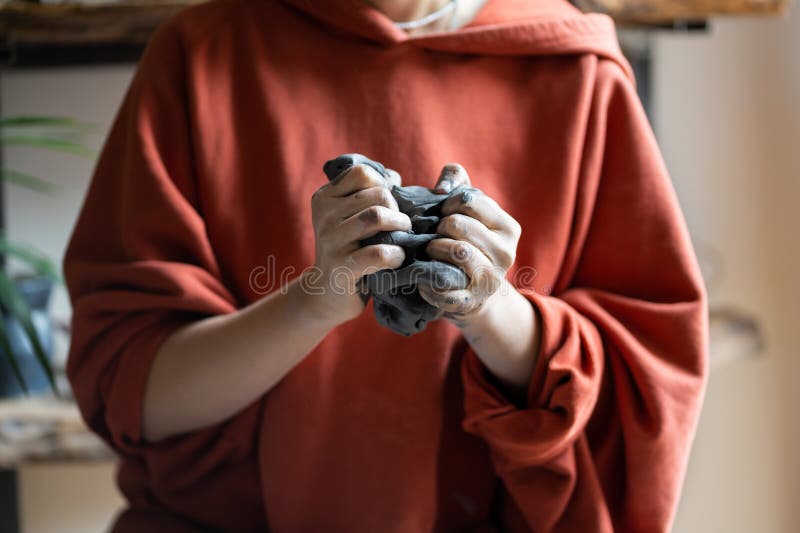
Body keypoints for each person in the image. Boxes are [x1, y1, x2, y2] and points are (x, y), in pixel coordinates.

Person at [63, 0, 709, 531]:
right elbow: (131, 387)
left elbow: (642, 406)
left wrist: (492, 308)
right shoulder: (203, 54)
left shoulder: (577, 73)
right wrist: (309, 303)